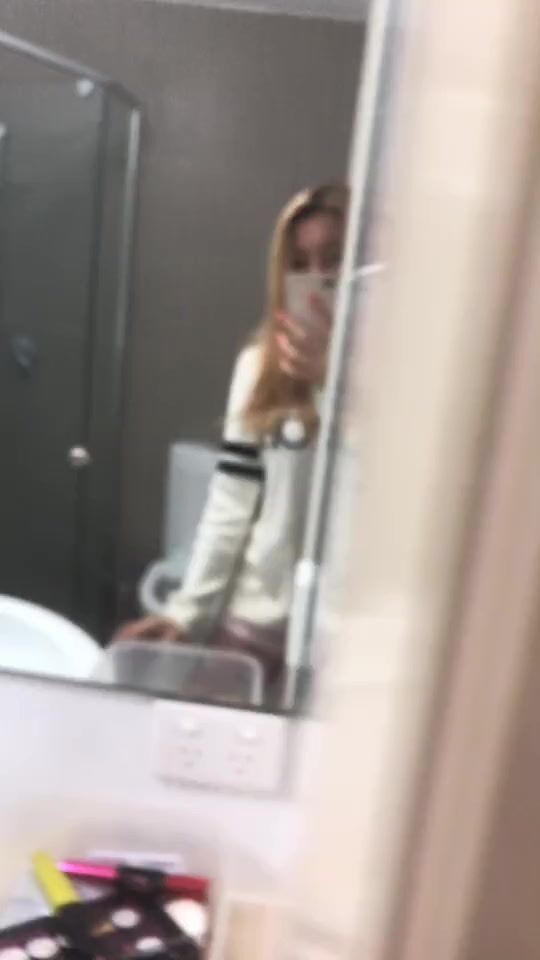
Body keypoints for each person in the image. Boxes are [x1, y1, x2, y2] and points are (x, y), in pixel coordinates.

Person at [117, 183, 348, 683]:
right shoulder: (260, 368)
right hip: (257, 615)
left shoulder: (395, 384)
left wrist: (338, 383)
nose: (318, 277)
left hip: (345, 639)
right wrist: (186, 612)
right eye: (299, 264)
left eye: (334, 258)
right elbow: (231, 499)